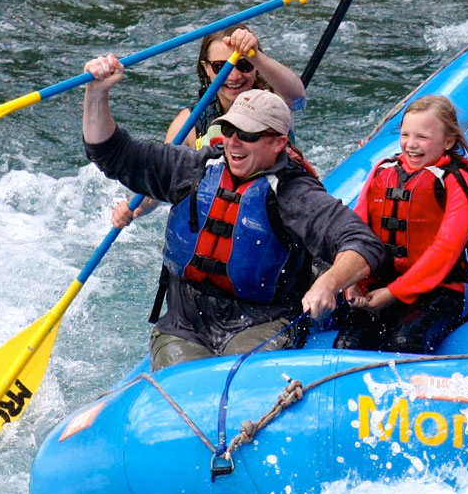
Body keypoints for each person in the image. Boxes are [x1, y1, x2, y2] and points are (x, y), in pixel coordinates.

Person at [82, 60, 385, 369]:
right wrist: (96, 94)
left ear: (279, 142)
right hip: (185, 327)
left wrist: (328, 283)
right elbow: (110, 152)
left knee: (238, 386)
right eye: (228, 129)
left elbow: (363, 243)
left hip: (260, 324)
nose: (234, 141)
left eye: (248, 134)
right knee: (186, 392)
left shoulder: (294, 194)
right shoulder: (193, 169)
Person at [334, 96, 468, 354]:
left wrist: (393, 293)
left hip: (437, 293)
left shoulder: (455, 180)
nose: (411, 145)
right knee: (348, 345)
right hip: (379, 287)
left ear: (448, 141)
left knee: (404, 343)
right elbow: (358, 230)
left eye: (422, 137)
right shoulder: (382, 170)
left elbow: (445, 250)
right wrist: (350, 281)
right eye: (405, 134)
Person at [112, 24, 306, 229]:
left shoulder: (275, 104)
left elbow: (297, 97)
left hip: (276, 218)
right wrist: (132, 208)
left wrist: (255, 55)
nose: (234, 76)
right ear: (205, 68)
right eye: (220, 67)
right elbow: (162, 178)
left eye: (245, 65)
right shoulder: (187, 124)